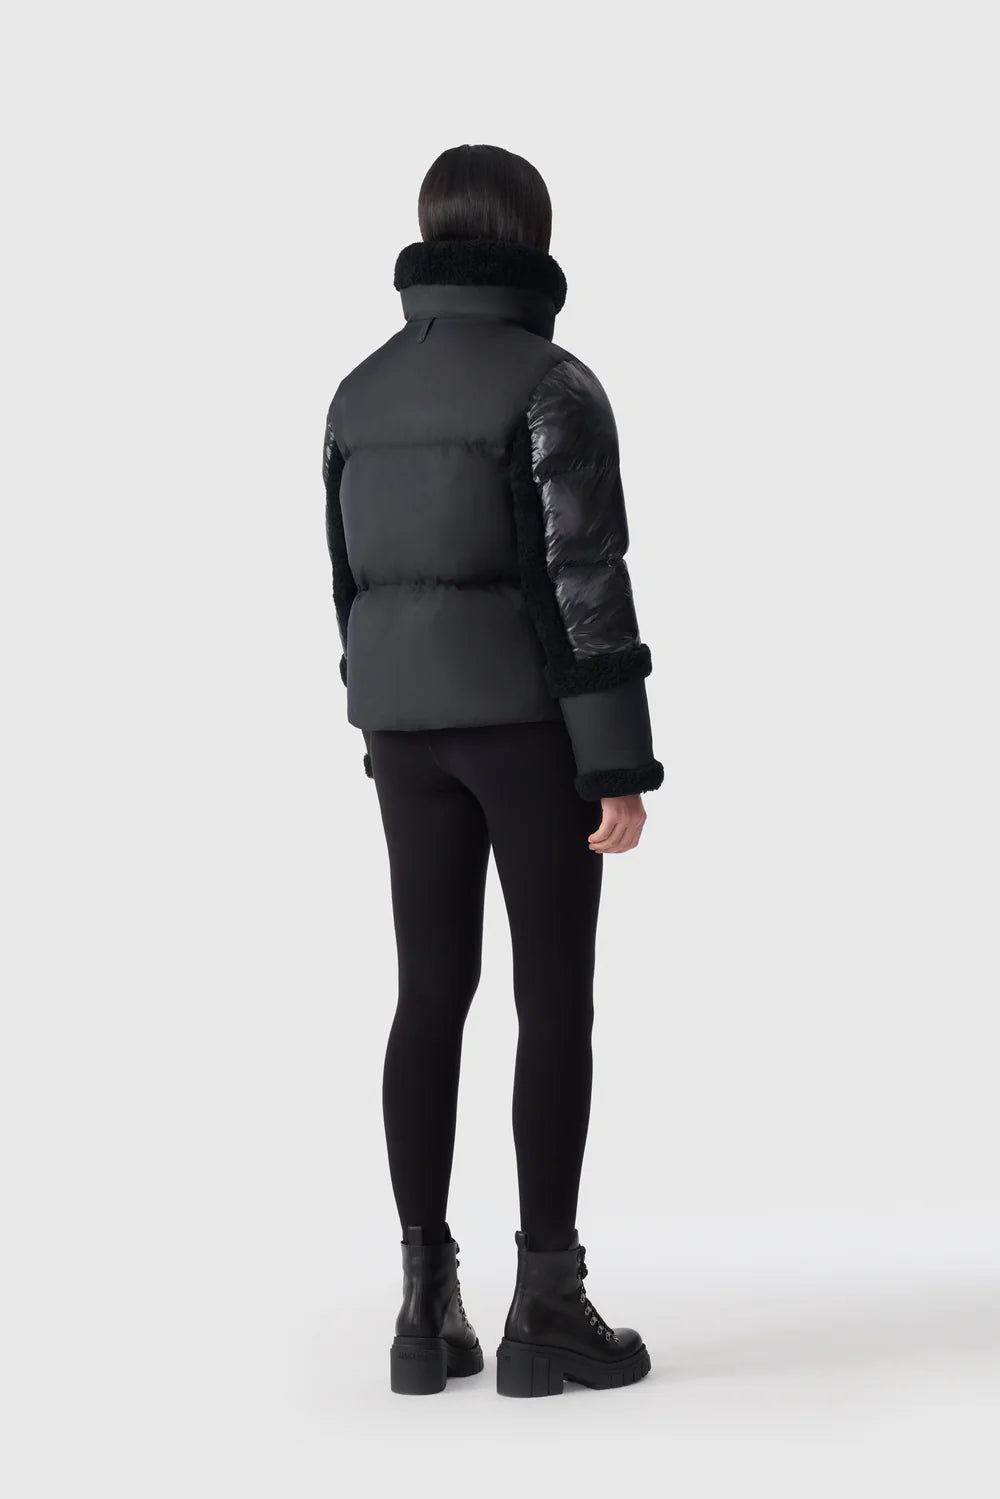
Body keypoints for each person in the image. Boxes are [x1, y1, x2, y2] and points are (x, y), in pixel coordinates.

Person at [322, 144, 663, 1397]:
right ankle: (546, 1304)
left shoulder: (357, 392)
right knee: (551, 998)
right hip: (528, 731)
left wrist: (378, 711)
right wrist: (615, 760)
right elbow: (584, 579)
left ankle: (424, 1307)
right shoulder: (551, 383)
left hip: (402, 731)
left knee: (428, 992)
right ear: (532, 237)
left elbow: (348, 581)